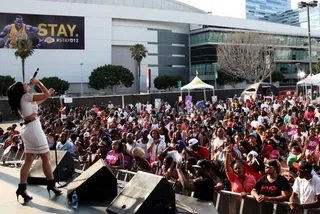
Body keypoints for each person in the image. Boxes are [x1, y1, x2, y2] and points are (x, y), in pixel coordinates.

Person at [7, 77, 60, 202]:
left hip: (27, 128)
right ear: (21, 89)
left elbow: (41, 99)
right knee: (46, 157)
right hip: (34, 128)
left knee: (29, 160)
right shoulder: (26, 96)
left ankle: (22, 188)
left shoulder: (24, 99)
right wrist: (39, 83)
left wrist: (48, 93)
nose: (27, 84)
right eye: (24, 84)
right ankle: (51, 184)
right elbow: (44, 94)